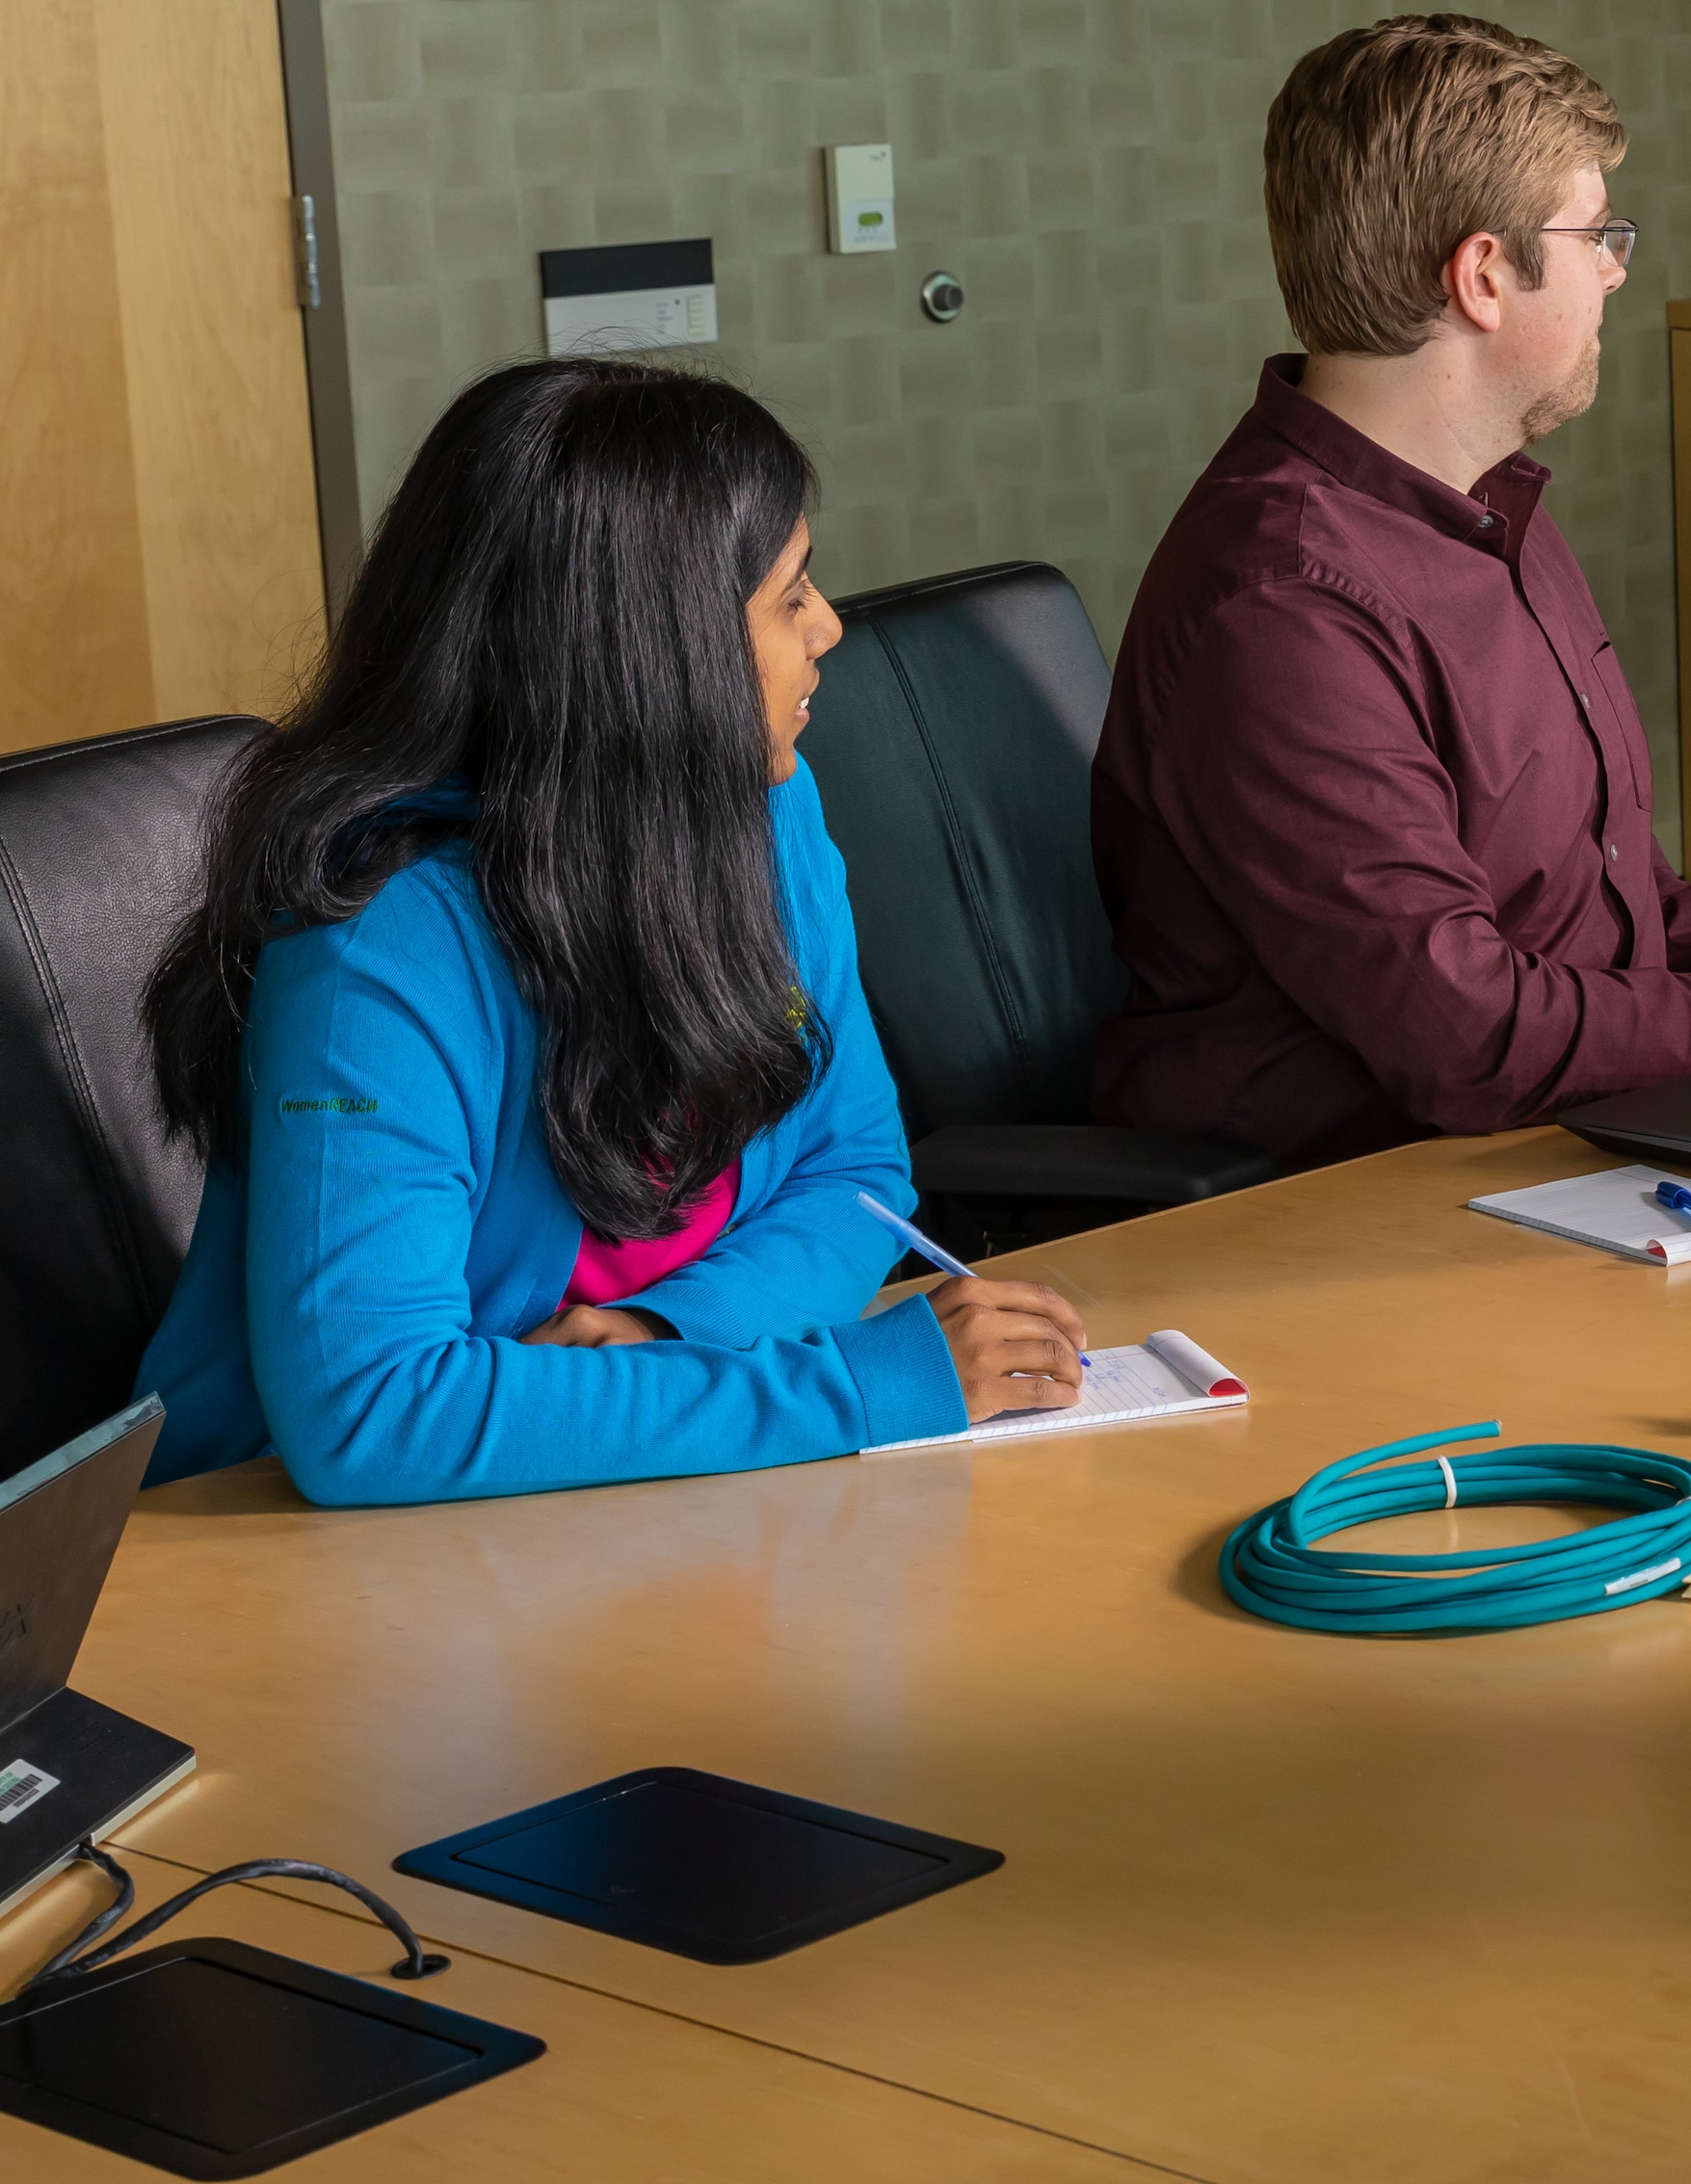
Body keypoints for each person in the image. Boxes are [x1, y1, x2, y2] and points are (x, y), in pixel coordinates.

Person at [132, 363, 1088, 1506]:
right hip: (281, 1563)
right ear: (652, 658)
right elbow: (374, 1412)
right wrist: (859, 1386)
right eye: (788, 597)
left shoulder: (769, 807)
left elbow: (855, 1168)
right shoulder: (374, 949)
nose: (828, 626)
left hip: (639, 1494)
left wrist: (665, 1332)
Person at [1091, 13, 1691, 1165]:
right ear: (1485, 275)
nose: (1613, 269)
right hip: (1379, 1191)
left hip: (1583, 1136)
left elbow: (1622, 884)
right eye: (1598, 234)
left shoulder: (1493, 506)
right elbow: (1467, 1038)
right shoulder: (1281, 604)